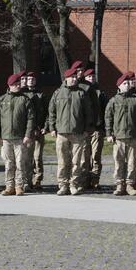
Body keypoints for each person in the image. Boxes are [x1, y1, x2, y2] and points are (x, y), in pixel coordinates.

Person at [48, 67, 93, 195]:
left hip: (78, 133)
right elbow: (52, 112)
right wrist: (52, 128)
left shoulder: (81, 93)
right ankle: (63, 185)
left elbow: (88, 113)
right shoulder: (58, 93)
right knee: (62, 161)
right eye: (71, 77)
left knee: (76, 161)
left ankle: (74, 184)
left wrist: (87, 130)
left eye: (75, 77)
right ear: (66, 79)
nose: (74, 79)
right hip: (61, 133)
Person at [105, 72, 136, 196]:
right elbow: (108, 118)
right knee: (118, 162)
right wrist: (109, 133)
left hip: (133, 136)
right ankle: (119, 185)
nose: (127, 85)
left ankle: (130, 184)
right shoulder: (113, 101)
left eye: (128, 83)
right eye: (124, 83)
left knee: (132, 163)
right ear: (119, 86)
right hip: (118, 137)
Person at [0, 73, 34, 196]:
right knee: (9, 163)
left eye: (18, 84)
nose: (17, 86)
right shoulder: (2, 100)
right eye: (14, 84)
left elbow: (30, 118)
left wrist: (27, 134)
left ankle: (19, 186)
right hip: (6, 137)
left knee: (20, 163)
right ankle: (9, 186)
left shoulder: (25, 99)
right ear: (9, 85)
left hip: (20, 138)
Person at [23, 71, 47, 191]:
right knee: (27, 157)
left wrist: (44, 127)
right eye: (29, 79)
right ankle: (27, 180)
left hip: (39, 130)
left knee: (37, 157)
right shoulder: (23, 94)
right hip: (27, 131)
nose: (31, 81)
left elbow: (46, 112)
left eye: (33, 79)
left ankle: (37, 180)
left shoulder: (41, 94)